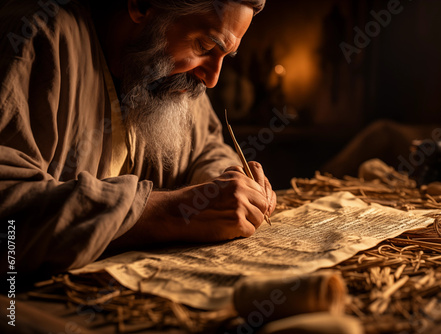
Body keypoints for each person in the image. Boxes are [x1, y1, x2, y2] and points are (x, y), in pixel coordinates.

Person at [0, 0, 276, 278]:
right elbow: (8, 215)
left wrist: (228, 180)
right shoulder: (36, 38)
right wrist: (173, 212)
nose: (213, 79)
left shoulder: (174, 77)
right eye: (204, 47)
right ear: (142, 6)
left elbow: (206, 147)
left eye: (225, 56)